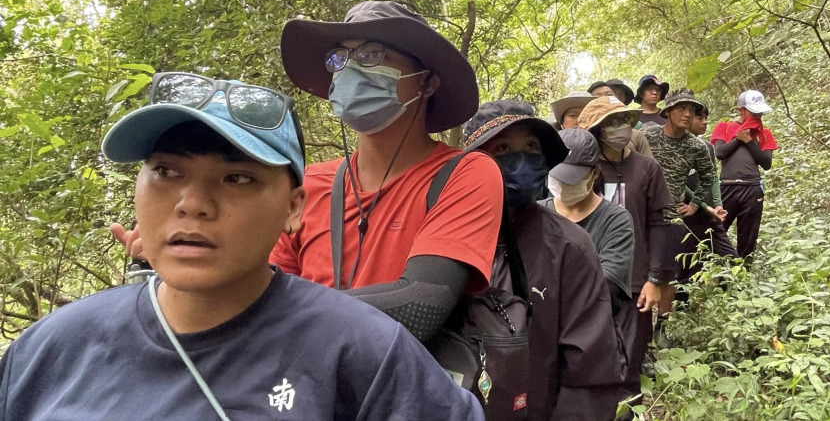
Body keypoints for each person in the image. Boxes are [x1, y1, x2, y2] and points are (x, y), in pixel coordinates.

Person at [2, 73, 483, 420]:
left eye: (237, 178)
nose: (193, 204)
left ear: (293, 207)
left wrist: (326, 322)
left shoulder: (368, 357)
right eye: (166, 171)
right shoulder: (49, 349)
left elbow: (423, 300)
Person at [113, 1, 504, 344]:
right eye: (339, 58)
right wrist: (177, 264)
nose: (350, 69)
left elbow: (421, 305)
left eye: (372, 54)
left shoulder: (466, 173)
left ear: (428, 82)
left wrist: (254, 314)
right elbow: (261, 285)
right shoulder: (308, 184)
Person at [463, 100, 626, 420]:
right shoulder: (443, 236)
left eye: (531, 147)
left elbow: (590, 376)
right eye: (503, 148)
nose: (521, 159)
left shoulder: (568, 247)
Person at [577, 95, 673, 384]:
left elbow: (657, 224)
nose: (620, 127)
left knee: (631, 361)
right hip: (588, 278)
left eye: (623, 120)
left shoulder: (647, 168)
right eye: (611, 122)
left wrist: (654, 279)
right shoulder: (582, 170)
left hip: (634, 281)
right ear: (595, 131)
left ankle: (629, 403)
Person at [539, 127, 635, 350]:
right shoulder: (535, 214)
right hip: (540, 338)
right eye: (558, 177)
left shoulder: (615, 220)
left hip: (590, 340)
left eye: (572, 179)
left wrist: (544, 291)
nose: (564, 186)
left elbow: (605, 287)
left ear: (595, 173)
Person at [642, 89, 724, 334]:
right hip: (642, 214)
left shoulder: (696, 146)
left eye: (691, 110)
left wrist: (695, 204)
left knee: (668, 274)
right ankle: (639, 326)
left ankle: (662, 327)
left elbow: (709, 177)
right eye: (681, 108)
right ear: (668, 112)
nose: (687, 114)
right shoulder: (648, 136)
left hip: (670, 217)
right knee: (639, 273)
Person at [710, 90, 779, 261]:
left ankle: (744, 271)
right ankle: (715, 269)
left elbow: (766, 163)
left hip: (752, 189)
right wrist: (738, 138)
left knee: (748, 238)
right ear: (741, 110)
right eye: (754, 112)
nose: (758, 115)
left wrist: (749, 140)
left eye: (760, 112)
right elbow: (719, 152)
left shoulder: (764, 133)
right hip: (727, 187)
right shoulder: (724, 127)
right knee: (716, 230)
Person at [682, 103, 737, 270]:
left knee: (732, 261)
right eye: (700, 118)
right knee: (689, 268)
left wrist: (718, 204)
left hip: (710, 216)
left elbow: (712, 176)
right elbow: (678, 183)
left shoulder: (707, 147)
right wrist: (704, 206)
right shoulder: (675, 148)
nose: (705, 122)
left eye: (706, 118)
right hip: (687, 216)